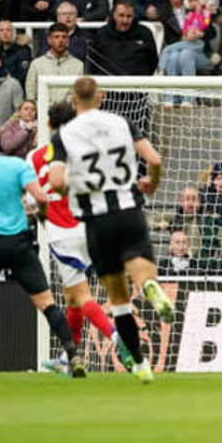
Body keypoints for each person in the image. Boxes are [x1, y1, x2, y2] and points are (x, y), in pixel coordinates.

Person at [47, 77, 174, 383]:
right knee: (141, 272)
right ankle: (149, 288)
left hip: (96, 221)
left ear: (74, 100)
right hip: (129, 211)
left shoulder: (64, 135)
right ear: (100, 97)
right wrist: (151, 184)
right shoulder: (121, 122)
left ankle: (142, 366)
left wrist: (76, 184)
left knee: (118, 299)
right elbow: (154, 159)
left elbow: (55, 181)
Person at [0, 119, 84, 378]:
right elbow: (41, 197)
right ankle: (73, 355)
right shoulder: (16, 165)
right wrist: (39, 216)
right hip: (19, 242)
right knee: (47, 303)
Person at [30, 102, 134, 374]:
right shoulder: (86, 153)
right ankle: (70, 357)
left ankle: (116, 336)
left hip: (62, 234)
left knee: (81, 295)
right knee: (72, 297)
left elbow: (34, 199)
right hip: (90, 228)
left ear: (49, 125)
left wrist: (42, 216)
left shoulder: (35, 156)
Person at [87, 0, 159, 76]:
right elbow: (93, 62)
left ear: (134, 16)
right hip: (107, 84)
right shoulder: (101, 34)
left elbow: (153, 62)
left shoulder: (145, 33)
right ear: (114, 15)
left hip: (138, 84)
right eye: (121, 15)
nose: (125, 20)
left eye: (129, 16)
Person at [24, 22, 83, 101]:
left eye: (64, 37)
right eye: (56, 37)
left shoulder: (78, 65)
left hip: (69, 111)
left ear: (68, 41)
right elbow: (30, 94)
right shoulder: (36, 64)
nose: (60, 40)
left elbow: (79, 94)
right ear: (49, 40)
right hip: (42, 111)